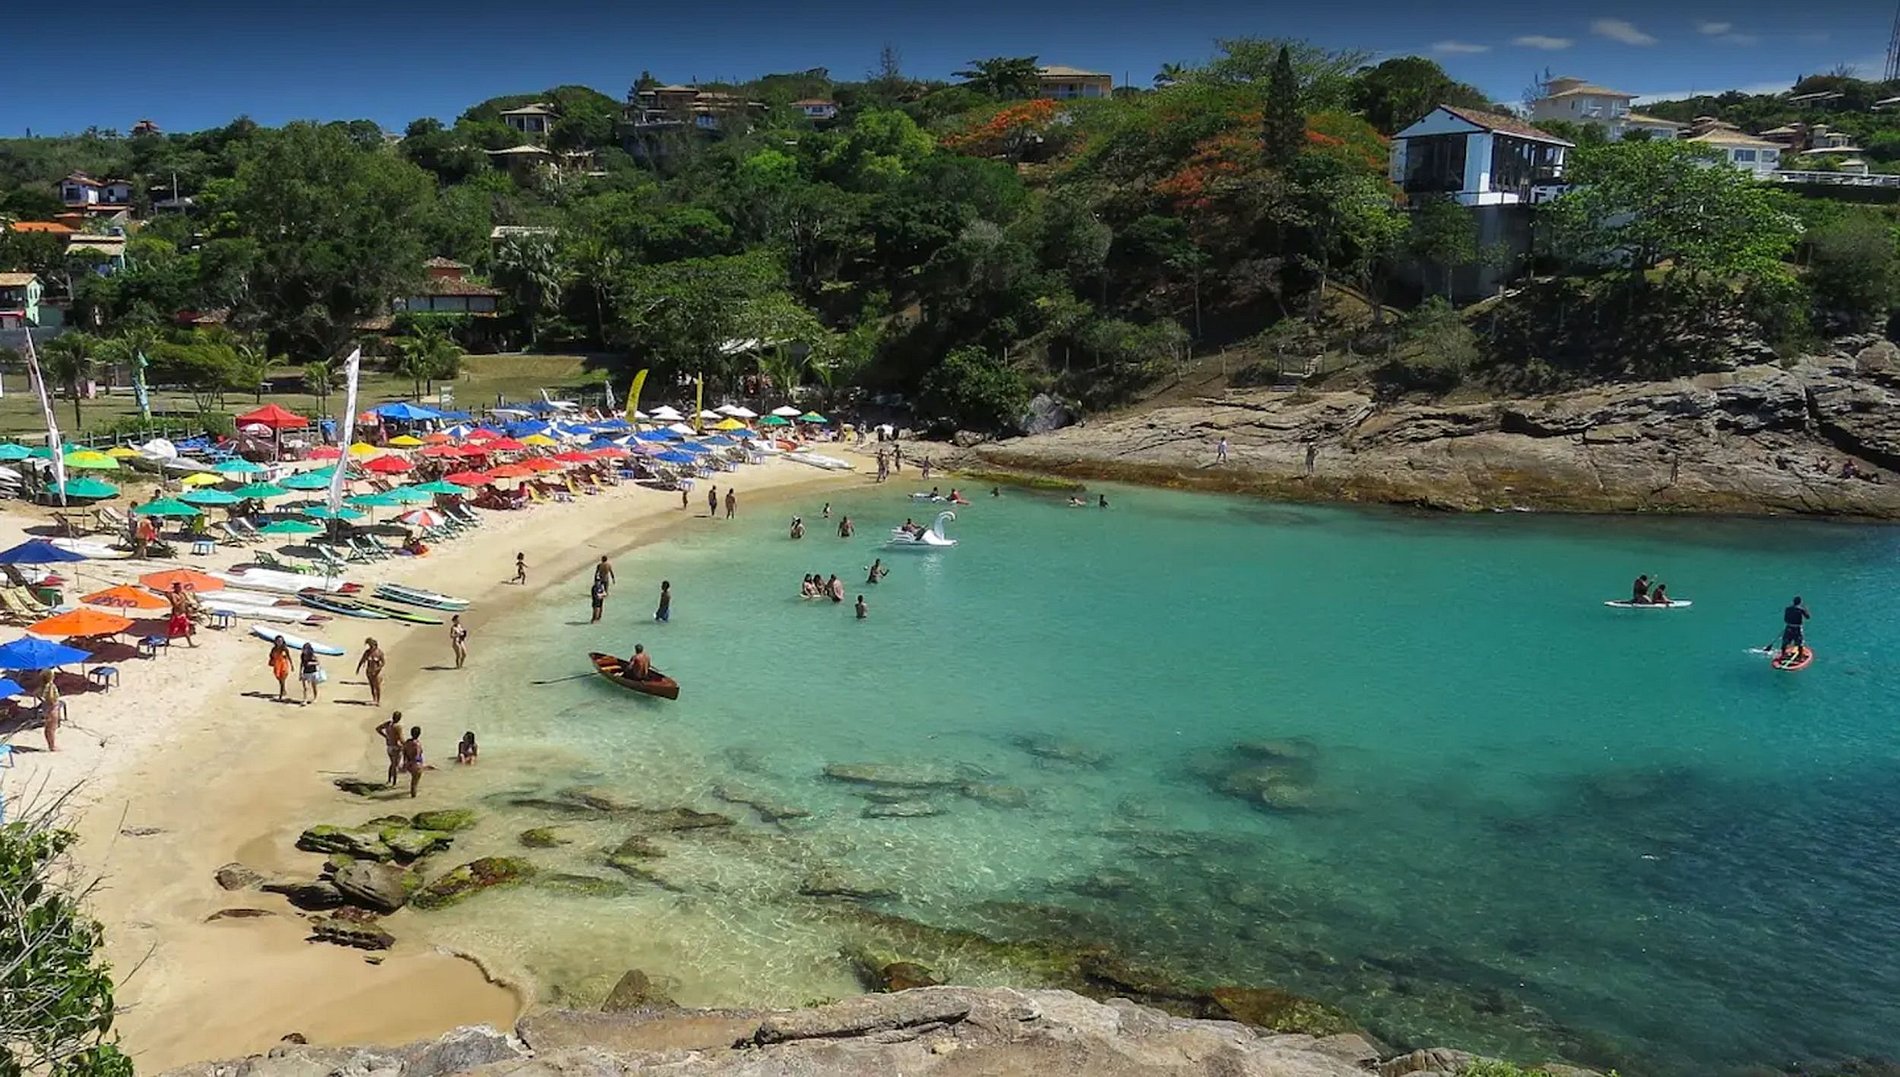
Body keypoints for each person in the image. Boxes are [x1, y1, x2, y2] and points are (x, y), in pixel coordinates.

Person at [376, 712, 406, 786]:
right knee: (396, 765)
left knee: (392, 764)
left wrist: (386, 736)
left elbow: (378, 729)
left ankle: (389, 779)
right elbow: (401, 738)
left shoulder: (388, 724)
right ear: (399, 718)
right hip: (396, 747)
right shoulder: (398, 727)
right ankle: (394, 782)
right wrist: (406, 745)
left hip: (389, 746)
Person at [356, 638, 386, 706]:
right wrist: (358, 668)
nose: (370, 647)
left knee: (377, 686)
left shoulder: (379, 653)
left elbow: (383, 662)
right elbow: (362, 660)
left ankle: (378, 700)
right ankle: (374, 699)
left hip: (377, 672)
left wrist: (378, 669)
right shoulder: (367, 652)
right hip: (369, 671)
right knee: (372, 685)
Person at [166, 583, 197, 648]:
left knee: (186, 628)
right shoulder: (173, 595)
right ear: (175, 588)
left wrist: (188, 609)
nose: (180, 588)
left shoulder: (182, 594)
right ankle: (167, 641)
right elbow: (175, 605)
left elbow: (185, 603)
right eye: (179, 587)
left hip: (183, 614)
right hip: (176, 614)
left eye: (180, 587)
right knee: (173, 629)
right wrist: (181, 600)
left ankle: (190, 643)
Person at [400, 726, 424, 798]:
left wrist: (405, 763)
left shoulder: (407, 742)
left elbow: (404, 753)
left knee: (413, 781)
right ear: (419, 734)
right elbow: (417, 755)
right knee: (415, 783)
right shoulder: (417, 744)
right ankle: (413, 798)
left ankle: (412, 795)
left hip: (408, 763)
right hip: (416, 764)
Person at [38, 674, 60, 753]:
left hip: (46, 709)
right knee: (51, 729)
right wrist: (54, 703)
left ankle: (50, 745)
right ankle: (52, 746)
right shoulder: (51, 686)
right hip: (52, 710)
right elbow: (52, 699)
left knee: (48, 729)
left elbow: (36, 693)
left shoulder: (42, 686)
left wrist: (44, 701)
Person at [268, 636, 292, 700]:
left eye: (281, 641)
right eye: (278, 641)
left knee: (282, 679)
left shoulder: (284, 649)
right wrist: (271, 661)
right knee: (279, 679)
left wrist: (292, 665)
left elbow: (289, 657)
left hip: (284, 665)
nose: (279, 642)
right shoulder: (274, 649)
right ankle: (283, 690)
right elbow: (271, 655)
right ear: (275, 641)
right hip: (277, 665)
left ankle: (281, 695)